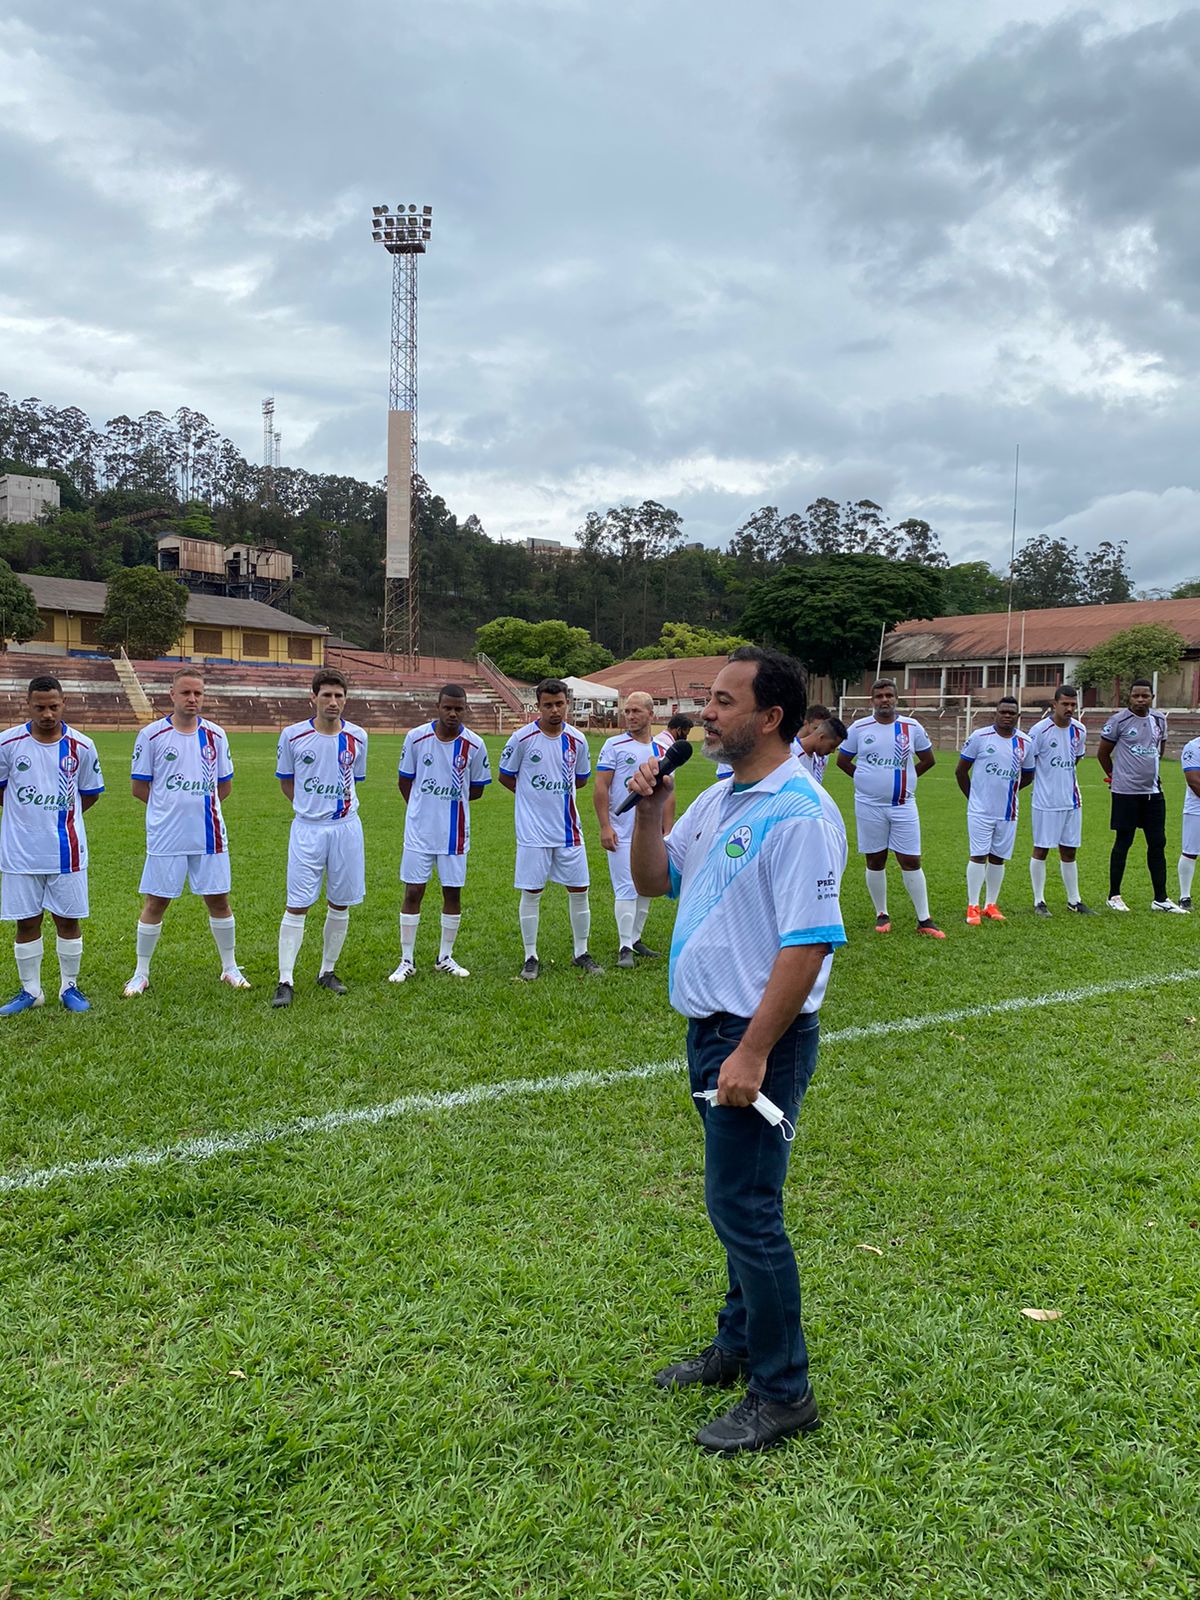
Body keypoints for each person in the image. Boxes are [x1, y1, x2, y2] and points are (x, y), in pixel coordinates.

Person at [628, 645, 846, 1455]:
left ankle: (784, 1390)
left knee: (747, 1211)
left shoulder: (801, 811)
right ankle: (739, 1342)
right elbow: (655, 883)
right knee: (736, 1202)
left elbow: (809, 944)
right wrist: (649, 807)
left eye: (722, 702)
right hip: (709, 1027)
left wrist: (753, 1051)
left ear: (771, 717)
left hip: (759, 1039)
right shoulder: (720, 799)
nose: (705, 716)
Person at [124, 667, 250, 995]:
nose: (192, 699)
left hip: (209, 834)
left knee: (219, 900)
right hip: (166, 834)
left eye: (198, 693)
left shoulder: (216, 736)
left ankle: (230, 967)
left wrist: (197, 807)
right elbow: (139, 788)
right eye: (186, 693)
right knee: (156, 901)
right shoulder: (151, 736)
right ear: (172, 695)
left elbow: (224, 787)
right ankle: (141, 972)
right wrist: (168, 809)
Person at [0, 675, 104, 1014]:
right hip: (20, 852)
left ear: (64, 704)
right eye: (40, 707)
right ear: (28, 705)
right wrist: (25, 818)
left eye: (53, 706)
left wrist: (60, 817)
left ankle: (68, 987)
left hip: (67, 851)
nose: (47, 714)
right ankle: (31, 990)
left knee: (67, 921)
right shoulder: (7, 744)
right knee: (26, 921)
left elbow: (89, 794)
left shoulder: (83, 747)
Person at [272, 669, 368, 1007]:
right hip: (308, 829)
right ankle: (285, 979)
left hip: (345, 828)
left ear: (346, 699)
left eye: (339, 696)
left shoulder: (358, 737)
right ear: (312, 698)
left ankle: (327, 971)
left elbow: (356, 779)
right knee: (297, 903)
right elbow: (287, 781)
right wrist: (308, 806)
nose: (333, 702)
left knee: (339, 901)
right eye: (326, 695)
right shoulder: (293, 736)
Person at [499, 679, 601, 980]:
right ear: (538, 706)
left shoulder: (578, 741)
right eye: (548, 705)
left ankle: (581, 952)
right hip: (533, 832)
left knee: (579, 890)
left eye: (559, 704)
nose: (555, 710)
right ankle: (530, 955)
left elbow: (580, 778)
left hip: (569, 830)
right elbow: (506, 776)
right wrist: (531, 798)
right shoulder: (522, 738)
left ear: (567, 703)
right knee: (532, 892)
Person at [390, 684, 491, 982]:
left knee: (452, 891)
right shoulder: (416, 738)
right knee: (413, 891)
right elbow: (405, 782)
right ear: (437, 706)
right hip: (419, 832)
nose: (453, 713)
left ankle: (445, 956)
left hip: (454, 833)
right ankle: (406, 959)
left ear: (466, 709)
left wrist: (448, 803)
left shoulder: (474, 745)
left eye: (459, 708)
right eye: (448, 707)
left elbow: (477, 790)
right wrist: (423, 808)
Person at [835, 679, 943, 937]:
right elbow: (842, 760)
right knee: (875, 858)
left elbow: (928, 759)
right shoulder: (860, 728)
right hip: (869, 805)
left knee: (910, 859)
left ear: (896, 698)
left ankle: (924, 919)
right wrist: (865, 781)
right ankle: (881, 913)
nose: (884, 700)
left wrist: (908, 779)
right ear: (872, 700)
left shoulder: (911, 726)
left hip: (903, 804)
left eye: (889, 695)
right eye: (879, 696)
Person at [593, 691, 674, 968]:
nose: (629, 716)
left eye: (636, 711)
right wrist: (605, 826)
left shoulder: (660, 752)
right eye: (627, 711)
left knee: (646, 888)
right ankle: (624, 946)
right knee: (626, 887)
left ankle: (636, 938)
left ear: (651, 715)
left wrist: (667, 829)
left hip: (648, 832)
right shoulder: (614, 745)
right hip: (620, 830)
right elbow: (601, 786)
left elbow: (668, 793)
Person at [1098, 681, 1184, 912]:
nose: (1140, 700)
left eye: (1144, 696)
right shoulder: (1119, 721)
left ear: (1152, 697)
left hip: (1154, 794)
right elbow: (1103, 753)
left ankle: (1161, 899)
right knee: (1123, 842)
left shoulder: (1159, 720)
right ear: (1130, 697)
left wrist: (1153, 770)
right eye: (1136, 696)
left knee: (1158, 843)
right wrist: (1114, 776)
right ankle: (1114, 895)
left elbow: (1160, 747)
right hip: (1126, 793)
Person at [956, 697, 1034, 924]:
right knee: (978, 855)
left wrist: (1012, 791)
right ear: (995, 714)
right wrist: (974, 799)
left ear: (1018, 717)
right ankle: (973, 906)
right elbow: (961, 771)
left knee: (998, 858)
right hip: (980, 810)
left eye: (1012, 712)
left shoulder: (1025, 742)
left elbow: (1028, 774)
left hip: (1008, 811)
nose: (1007, 715)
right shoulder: (979, 737)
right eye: (1003, 712)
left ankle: (991, 904)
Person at [1026, 685, 1094, 917]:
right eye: (1065, 704)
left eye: (1073, 704)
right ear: (1053, 705)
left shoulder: (1079, 730)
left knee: (1069, 851)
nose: (1069, 708)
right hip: (1046, 801)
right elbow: (1029, 762)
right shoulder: (1039, 731)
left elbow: (1075, 759)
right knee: (1041, 849)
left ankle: (1074, 900)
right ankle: (1039, 901)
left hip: (1072, 800)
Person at [1178, 733, 1200, 910]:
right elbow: (1194, 781)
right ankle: (1184, 897)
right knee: (1190, 851)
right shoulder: (1193, 747)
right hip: (1196, 809)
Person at [796, 714, 847, 787]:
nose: (832, 751)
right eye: (832, 746)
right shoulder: (791, 752)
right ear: (821, 737)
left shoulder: (819, 759)